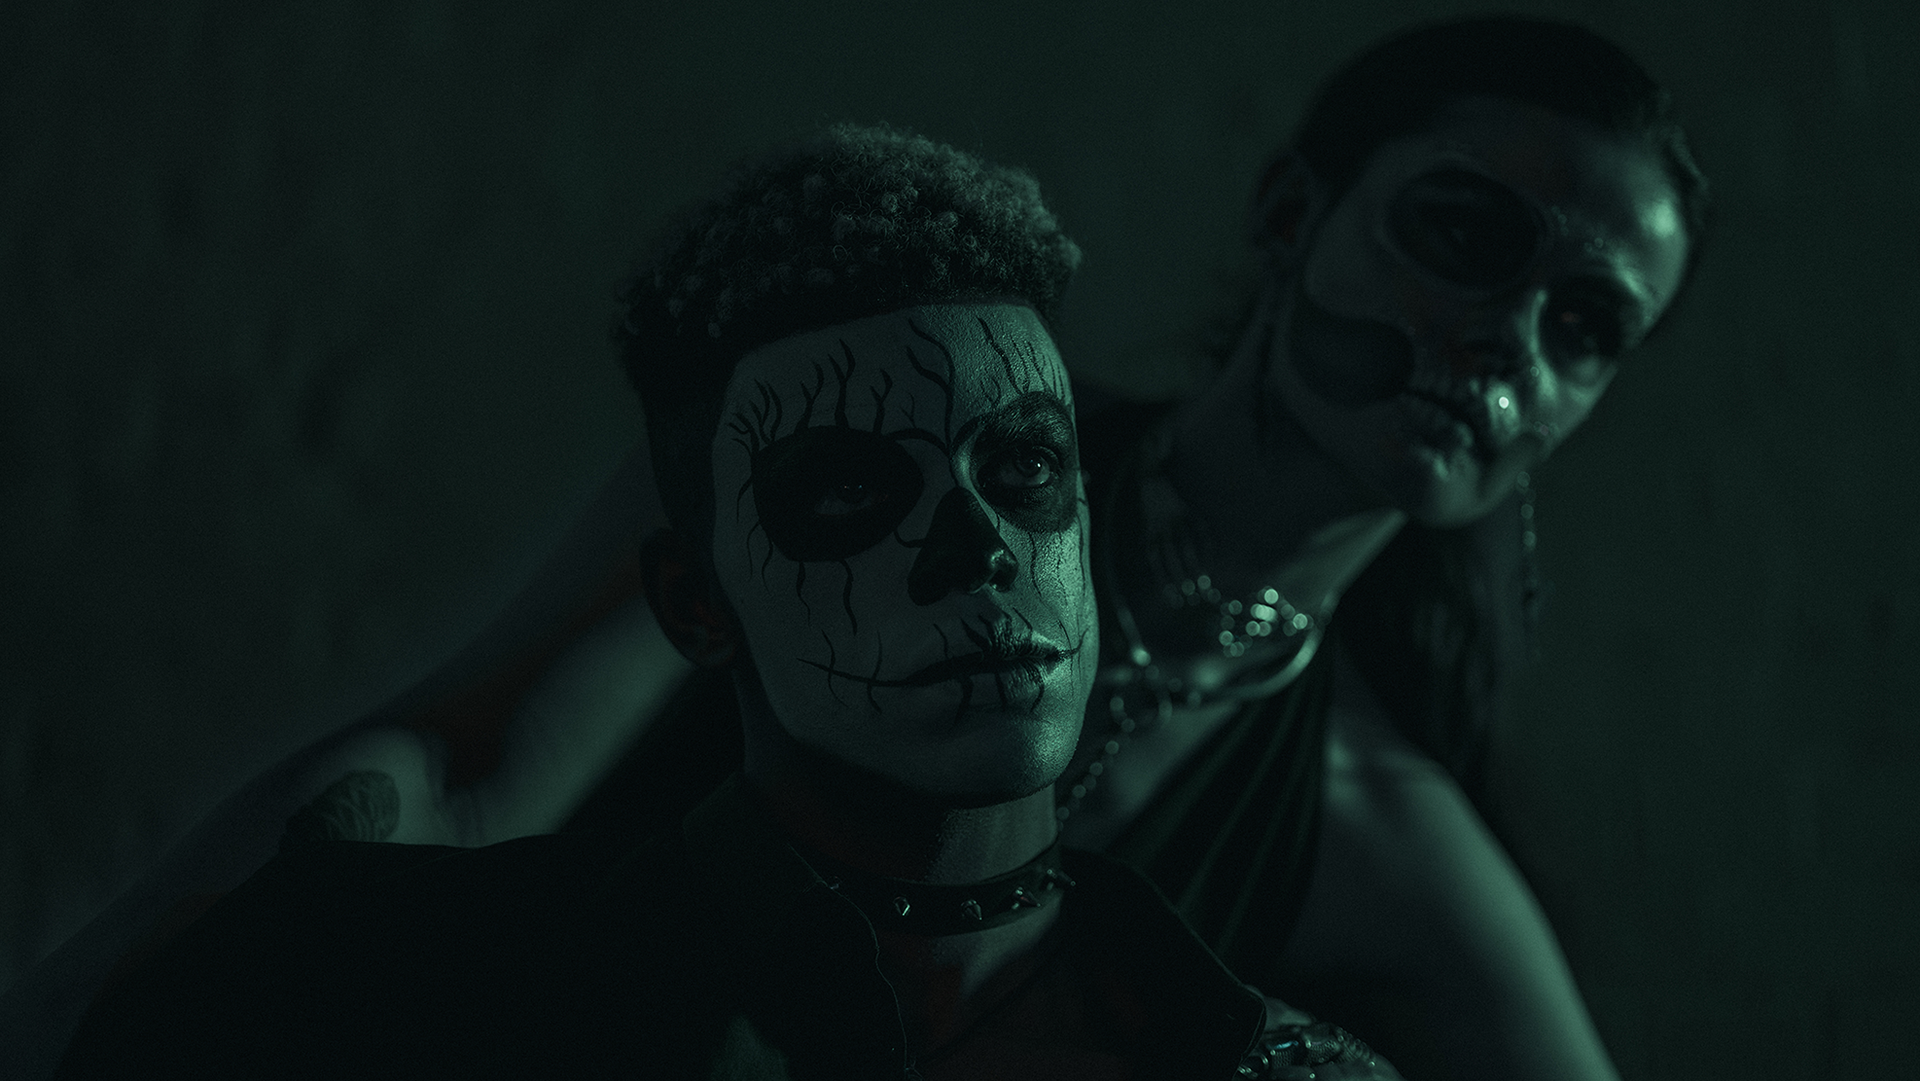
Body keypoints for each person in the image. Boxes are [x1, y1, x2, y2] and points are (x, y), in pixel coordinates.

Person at [13, 15, 1707, 1081]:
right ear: (1294, 212)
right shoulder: (843, 410)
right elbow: (467, 769)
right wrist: (110, 988)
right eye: (1465, 235)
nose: (1508, 341)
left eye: (1586, 324)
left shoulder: (1387, 844)